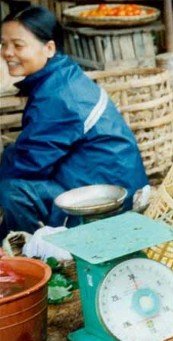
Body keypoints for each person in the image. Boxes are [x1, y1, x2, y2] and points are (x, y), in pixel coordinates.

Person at [0, 6, 147, 238]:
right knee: (10, 156)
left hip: (109, 205)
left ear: (49, 48)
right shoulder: (59, 76)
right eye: (3, 44)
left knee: (12, 191)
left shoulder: (58, 95)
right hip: (98, 178)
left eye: (18, 45)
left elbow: (30, 165)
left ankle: (32, 251)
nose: (7, 52)